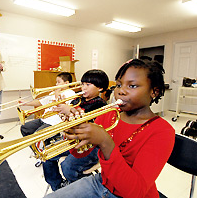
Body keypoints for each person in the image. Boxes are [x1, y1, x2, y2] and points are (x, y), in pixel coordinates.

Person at [44, 59, 175, 198]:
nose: (121, 91)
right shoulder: (109, 115)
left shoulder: (162, 131)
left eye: (132, 86)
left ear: (154, 92)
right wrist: (74, 135)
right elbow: (79, 154)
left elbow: (135, 192)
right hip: (102, 182)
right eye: (119, 84)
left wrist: (105, 142)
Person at [42, 69, 109, 191]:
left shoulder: (101, 105)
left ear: (100, 88)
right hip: (74, 140)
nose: (84, 87)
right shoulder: (77, 100)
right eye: (82, 84)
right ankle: (58, 186)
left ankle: (83, 187)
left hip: (91, 146)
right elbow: (68, 121)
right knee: (47, 155)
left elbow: (91, 126)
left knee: (67, 166)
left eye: (88, 85)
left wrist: (70, 111)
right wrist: (61, 111)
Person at [19, 72, 76, 167]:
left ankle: (42, 155)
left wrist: (57, 93)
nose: (56, 84)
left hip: (55, 122)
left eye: (58, 82)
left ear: (66, 83)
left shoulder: (71, 93)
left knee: (36, 136)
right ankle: (39, 153)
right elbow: (41, 102)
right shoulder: (53, 93)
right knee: (25, 128)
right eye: (56, 82)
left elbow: (61, 104)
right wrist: (26, 103)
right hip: (45, 119)